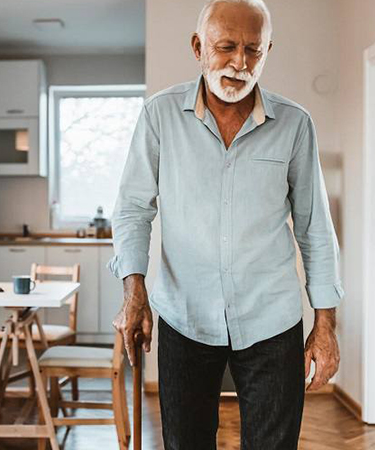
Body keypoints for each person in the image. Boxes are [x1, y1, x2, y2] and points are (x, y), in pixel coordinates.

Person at [109, 0, 344, 448]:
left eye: (253, 50)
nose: (240, 63)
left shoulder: (295, 124)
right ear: (199, 47)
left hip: (271, 321)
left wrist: (325, 324)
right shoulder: (158, 117)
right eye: (227, 47)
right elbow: (132, 209)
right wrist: (133, 290)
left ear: (268, 50)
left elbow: (315, 227)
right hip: (184, 317)